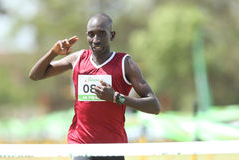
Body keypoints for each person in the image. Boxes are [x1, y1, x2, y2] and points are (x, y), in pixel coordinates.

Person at [29, 13, 161, 160]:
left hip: (112, 146)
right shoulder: (78, 58)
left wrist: (117, 97)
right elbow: (35, 75)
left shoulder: (125, 64)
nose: (96, 40)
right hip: (80, 144)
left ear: (112, 35)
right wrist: (53, 53)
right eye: (91, 34)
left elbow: (154, 106)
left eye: (101, 34)